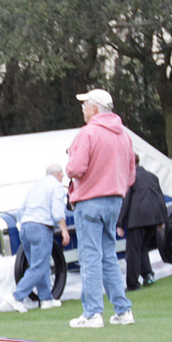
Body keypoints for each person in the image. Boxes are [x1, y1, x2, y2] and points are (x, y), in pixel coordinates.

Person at [65, 89, 136, 328]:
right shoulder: (124, 136)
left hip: (90, 201)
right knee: (109, 256)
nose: (83, 109)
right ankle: (123, 310)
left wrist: (70, 159)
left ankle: (93, 313)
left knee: (90, 257)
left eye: (85, 105)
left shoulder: (88, 133)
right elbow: (131, 174)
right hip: (115, 200)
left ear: (94, 109)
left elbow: (75, 169)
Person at [6, 164, 70, 312]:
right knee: (40, 265)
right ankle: (17, 296)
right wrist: (64, 230)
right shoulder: (57, 187)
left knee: (37, 264)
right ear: (59, 174)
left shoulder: (35, 186)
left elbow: (21, 209)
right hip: (41, 226)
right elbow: (57, 211)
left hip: (26, 227)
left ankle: (46, 298)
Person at [118, 155, 168, 291]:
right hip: (152, 218)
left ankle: (133, 283)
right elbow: (159, 197)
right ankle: (148, 275)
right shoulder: (152, 176)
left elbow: (126, 202)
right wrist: (162, 219)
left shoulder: (130, 178)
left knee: (133, 250)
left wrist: (120, 223)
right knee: (142, 247)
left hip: (137, 218)